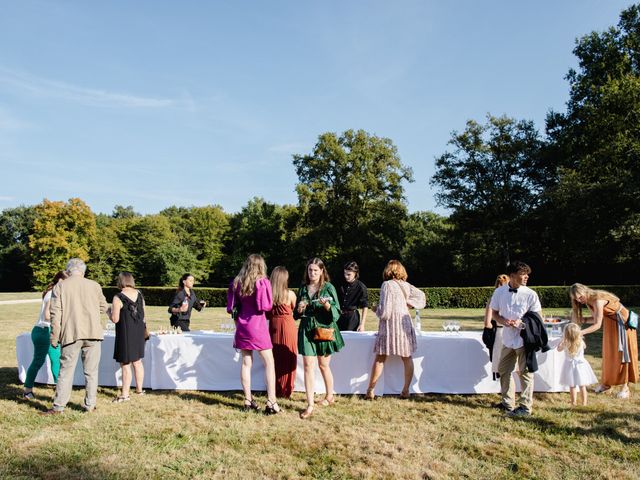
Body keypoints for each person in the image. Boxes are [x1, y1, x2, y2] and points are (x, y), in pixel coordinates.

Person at [41, 258, 109, 415]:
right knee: (91, 371)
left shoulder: (60, 286)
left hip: (71, 333)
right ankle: (90, 405)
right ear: (83, 271)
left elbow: (55, 314)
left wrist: (54, 336)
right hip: (93, 332)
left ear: (68, 271)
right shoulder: (94, 285)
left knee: (66, 371)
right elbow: (103, 306)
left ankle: (58, 407)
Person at [226, 254, 280, 414]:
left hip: (242, 325)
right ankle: (271, 402)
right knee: (269, 363)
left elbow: (231, 308)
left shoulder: (236, 283)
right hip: (258, 326)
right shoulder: (262, 282)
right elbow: (266, 306)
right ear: (261, 266)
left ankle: (248, 400)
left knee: (246, 363)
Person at [365, 260, 426, 400]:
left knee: (380, 358)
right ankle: (405, 390)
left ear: (388, 270)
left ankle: (370, 390)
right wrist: (409, 304)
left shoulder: (386, 285)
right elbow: (422, 297)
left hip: (390, 326)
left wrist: (376, 310)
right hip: (404, 324)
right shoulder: (406, 285)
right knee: (407, 357)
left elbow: (385, 312)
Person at [490, 261, 542, 417]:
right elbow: (494, 313)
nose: (526, 277)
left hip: (524, 340)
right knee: (504, 370)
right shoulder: (499, 293)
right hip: (507, 339)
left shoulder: (530, 294)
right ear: (512, 276)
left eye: (527, 274)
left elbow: (538, 317)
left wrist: (522, 323)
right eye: (523, 274)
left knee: (525, 373)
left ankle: (525, 407)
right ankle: (507, 403)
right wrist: (503, 321)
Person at [294, 257, 344, 419]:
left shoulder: (328, 287)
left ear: (322, 271)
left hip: (323, 328)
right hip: (307, 329)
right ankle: (310, 404)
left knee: (323, 365)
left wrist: (327, 305)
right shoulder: (302, 288)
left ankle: (329, 396)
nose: (312, 273)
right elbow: (296, 314)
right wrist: (300, 309)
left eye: (316, 270)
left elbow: (336, 311)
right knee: (308, 365)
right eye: (310, 270)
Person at [569, 283, 638, 399]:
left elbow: (597, 325)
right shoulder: (587, 302)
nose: (579, 300)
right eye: (576, 299)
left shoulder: (597, 300)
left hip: (622, 325)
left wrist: (579, 333)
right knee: (609, 354)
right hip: (611, 323)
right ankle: (607, 384)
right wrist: (581, 319)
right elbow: (595, 319)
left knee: (622, 355)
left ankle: (625, 388)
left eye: (580, 297)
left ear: (585, 291)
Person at [23, 271, 68, 399]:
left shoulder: (51, 291)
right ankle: (60, 394)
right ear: (59, 280)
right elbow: (47, 315)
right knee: (55, 362)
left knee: (39, 361)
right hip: (45, 331)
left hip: (40, 330)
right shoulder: (54, 293)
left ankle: (28, 390)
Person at [111, 272, 147, 403]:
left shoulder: (118, 297)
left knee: (125, 364)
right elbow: (144, 315)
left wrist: (108, 312)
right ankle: (139, 389)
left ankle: (125, 394)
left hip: (125, 333)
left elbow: (115, 319)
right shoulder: (140, 295)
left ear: (120, 281)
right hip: (138, 332)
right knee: (137, 362)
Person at [266, 266, 298, 399]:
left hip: (274, 327)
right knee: (289, 356)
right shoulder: (290, 294)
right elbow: (295, 311)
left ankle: (275, 387)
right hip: (288, 326)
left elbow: (267, 315)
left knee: (274, 357)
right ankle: (287, 388)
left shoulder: (268, 295)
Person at [557, 323, 598, 406]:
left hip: (569, 366)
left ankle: (573, 402)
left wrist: (562, 340)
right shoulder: (580, 342)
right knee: (582, 386)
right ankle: (584, 403)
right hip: (581, 366)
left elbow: (558, 349)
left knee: (572, 386)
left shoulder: (565, 343)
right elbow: (585, 347)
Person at [482, 274, 509, 379]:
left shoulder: (494, 298)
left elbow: (487, 322)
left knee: (500, 365)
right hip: (514, 332)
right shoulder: (512, 297)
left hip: (500, 333)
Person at [337, 261, 369, 332]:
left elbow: (365, 306)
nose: (346, 276)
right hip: (339, 316)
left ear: (355, 273)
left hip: (352, 318)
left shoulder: (361, 287)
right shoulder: (340, 284)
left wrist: (362, 324)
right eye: (344, 273)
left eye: (349, 274)